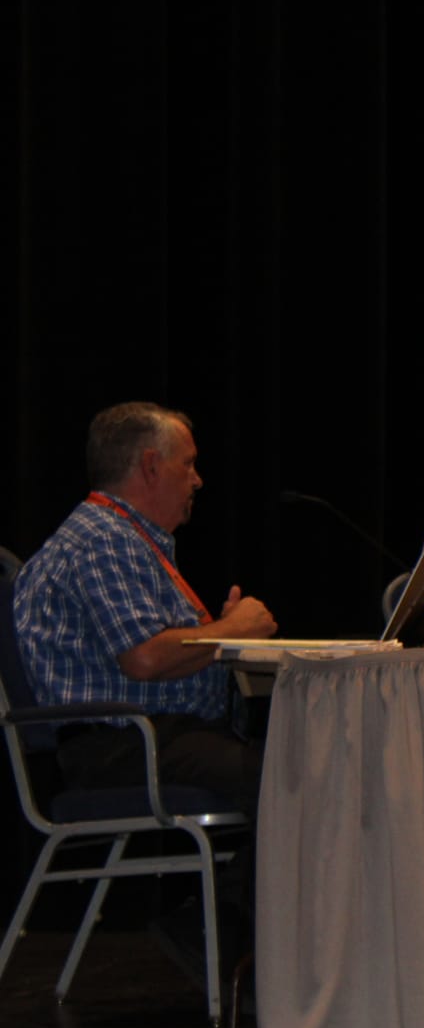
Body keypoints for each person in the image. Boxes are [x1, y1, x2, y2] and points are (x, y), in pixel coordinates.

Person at [11, 401, 276, 982]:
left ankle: (225, 936)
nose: (198, 479)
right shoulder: (103, 540)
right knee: (289, 781)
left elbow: (161, 647)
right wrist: (228, 632)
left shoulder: (129, 539)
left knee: (301, 769)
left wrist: (214, 639)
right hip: (121, 745)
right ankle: (215, 931)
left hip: (154, 738)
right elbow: (147, 657)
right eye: (190, 464)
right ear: (151, 467)